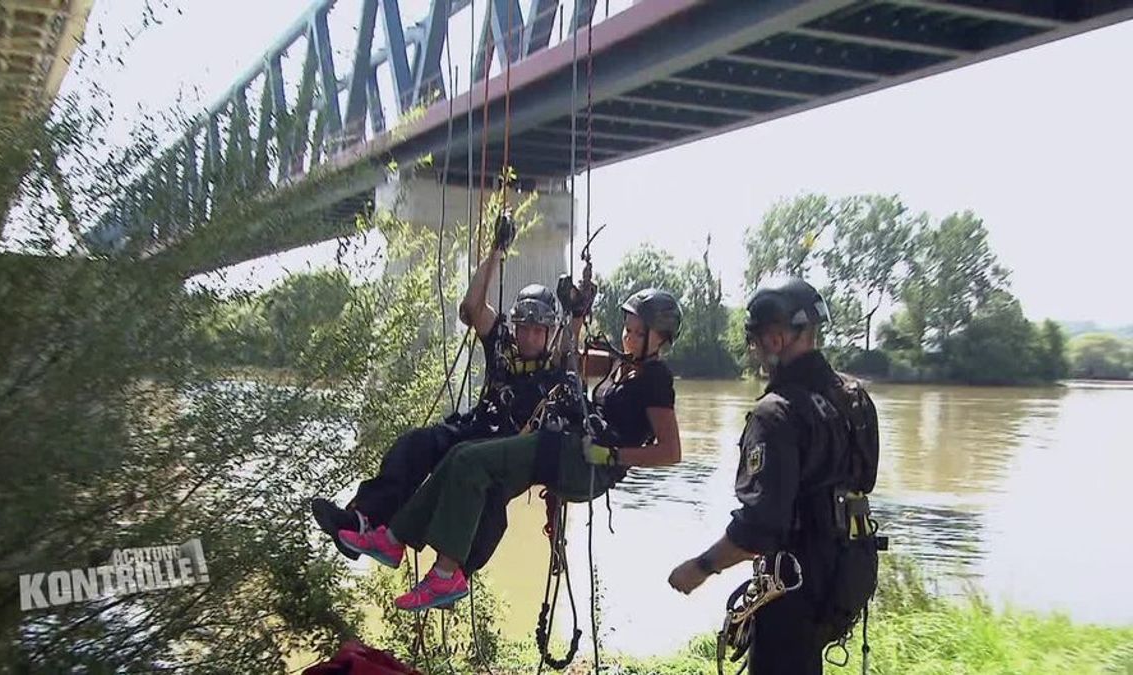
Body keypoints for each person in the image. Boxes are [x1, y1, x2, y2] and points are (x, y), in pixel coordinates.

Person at [338, 288, 684, 611]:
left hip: (586, 465)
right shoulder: (621, 365)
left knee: (473, 463)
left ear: (661, 339)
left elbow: (670, 451)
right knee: (463, 456)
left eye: (639, 333)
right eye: (628, 329)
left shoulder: (656, 379)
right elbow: (566, 357)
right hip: (564, 448)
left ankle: (444, 575)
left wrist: (611, 456)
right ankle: (394, 538)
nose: (629, 338)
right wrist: (576, 312)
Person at [311, 214, 585, 575]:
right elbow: (474, 308)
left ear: (548, 332)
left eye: (538, 330)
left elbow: (571, 346)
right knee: (415, 444)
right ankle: (363, 520)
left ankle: (441, 565)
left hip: (507, 449)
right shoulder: (504, 345)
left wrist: (577, 311)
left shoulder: (555, 363)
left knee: (467, 470)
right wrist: (496, 252)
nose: (529, 336)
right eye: (524, 328)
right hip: (474, 427)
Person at [666, 277, 883, 675]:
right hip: (848, 574)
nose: (757, 351)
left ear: (778, 338)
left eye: (758, 339)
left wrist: (699, 568)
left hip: (793, 587)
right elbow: (862, 482)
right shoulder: (854, 399)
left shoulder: (776, 414)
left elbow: (758, 529)